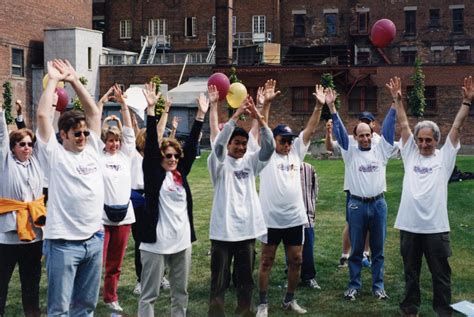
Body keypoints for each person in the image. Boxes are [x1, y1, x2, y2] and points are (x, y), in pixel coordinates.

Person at [388, 76, 473, 317]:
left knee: (441, 274)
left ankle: (443, 311)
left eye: (429, 140)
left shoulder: (444, 158)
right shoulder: (410, 155)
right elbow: (404, 125)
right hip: (409, 226)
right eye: (421, 140)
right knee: (411, 273)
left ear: (436, 140)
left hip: (436, 229)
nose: (424, 144)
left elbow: (456, 127)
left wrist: (466, 102)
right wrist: (397, 100)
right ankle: (410, 310)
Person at [36, 59, 104, 316]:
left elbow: (94, 113)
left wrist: (74, 80)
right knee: (59, 310)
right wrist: (53, 79)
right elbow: (43, 115)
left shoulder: (93, 149)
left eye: (84, 133)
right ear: (62, 134)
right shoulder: (53, 153)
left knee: (86, 307)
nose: (83, 138)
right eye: (77, 134)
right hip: (64, 244)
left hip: (94, 239)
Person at [138, 82, 209, 317]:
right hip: (156, 245)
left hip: (181, 243)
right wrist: (151, 111)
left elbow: (190, 146)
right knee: (149, 295)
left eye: (175, 156)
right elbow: (150, 147)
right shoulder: (153, 174)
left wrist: (200, 115)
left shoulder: (180, 174)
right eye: (168, 156)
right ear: (160, 158)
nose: (173, 159)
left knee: (180, 293)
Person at [256, 83, 325, 316]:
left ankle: (289, 300)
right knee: (266, 261)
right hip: (271, 219)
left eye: (289, 141)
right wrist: (266, 104)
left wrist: (318, 106)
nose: (287, 144)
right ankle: (263, 303)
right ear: (274, 140)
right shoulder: (265, 156)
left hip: (295, 218)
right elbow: (264, 127)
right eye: (282, 140)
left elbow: (310, 130)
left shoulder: (296, 152)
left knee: (296, 260)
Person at [327, 88, 396, 301]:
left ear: (372, 134)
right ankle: (354, 286)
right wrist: (331, 107)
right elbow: (338, 130)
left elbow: (390, 128)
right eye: (361, 135)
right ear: (354, 137)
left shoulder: (382, 149)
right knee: (356, 249)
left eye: (368, 135)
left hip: (378, 204)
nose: (365, 138)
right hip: (356, 205)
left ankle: (378, 287)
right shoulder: (349, 151)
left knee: (378, 250)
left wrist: (394, 103)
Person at [208, 97, 274, 317]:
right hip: (222, 232)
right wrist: (235, 116)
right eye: (236, 143)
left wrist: (259, 118)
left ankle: (243, 312)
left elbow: (270, 147)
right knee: (219, 281)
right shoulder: (217, 163)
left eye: (244, 144)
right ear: (229, 144)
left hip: (247, 232)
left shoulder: (250, 162)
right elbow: (217, 145)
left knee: (245, 282)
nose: (241, 147)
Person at [0, 103, 45, 317]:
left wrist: (20, 119)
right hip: (7, 236)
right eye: (21, 144)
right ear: (13, 148)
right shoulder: (5, 163)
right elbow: (2, 138)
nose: (27, 148)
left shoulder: (35, 163)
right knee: (1, 283)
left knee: (31, 284)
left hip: (33, 235)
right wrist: (1, 113)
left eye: (29, 145)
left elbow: (32, 139)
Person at [99, 86, 136, 312]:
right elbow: (94, 128)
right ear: (105, 141)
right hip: (102, 217)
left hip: (124, 216)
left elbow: (130, 132)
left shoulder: (125, 156)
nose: (114, 144)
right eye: (110, 140)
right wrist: (102, 103)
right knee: (96, 262)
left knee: (115, 263)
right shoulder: (96, 156)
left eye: (116, 140)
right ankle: (85, 295)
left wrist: (123, 105)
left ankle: (111, 297)